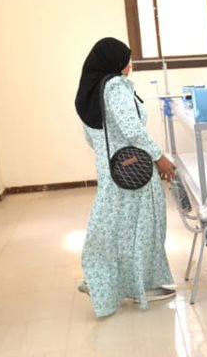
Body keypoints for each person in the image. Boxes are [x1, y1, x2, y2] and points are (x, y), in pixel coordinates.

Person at [75, 37, 177, 318]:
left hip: (111, 170)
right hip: (135, 171)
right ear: (115, 62)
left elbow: (92, 137)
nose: (130, 66)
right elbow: (132, 129)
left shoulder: (90, 91)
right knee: (143, 227)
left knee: (113, 228)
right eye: (127, 61)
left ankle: (102, 280)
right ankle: (142, 286)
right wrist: (159, 157)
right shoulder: (116, 86)